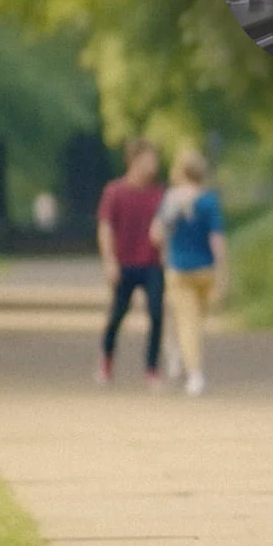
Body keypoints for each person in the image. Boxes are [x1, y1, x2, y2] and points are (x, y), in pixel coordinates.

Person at [150, 148, 227, 397]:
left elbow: (156, 235)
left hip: (179, 269)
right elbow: (216, 240)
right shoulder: (209, 201)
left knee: (187, 323)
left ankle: (190, 368)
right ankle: (193, 368)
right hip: (206, 270)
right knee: (195, 322)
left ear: (180, 172)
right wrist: (223, 270)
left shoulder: (171, 199)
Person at [96, 138, 166, 389]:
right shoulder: (114, 191)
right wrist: (109, 261)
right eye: (149, 159)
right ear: (133, 161)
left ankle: (151, 368)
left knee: (157, 314)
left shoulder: (160, 193)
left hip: (152, 264)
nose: (153, 164)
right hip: (124, 262)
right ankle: (106, 358)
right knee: (117, 314)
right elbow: (105, 228)